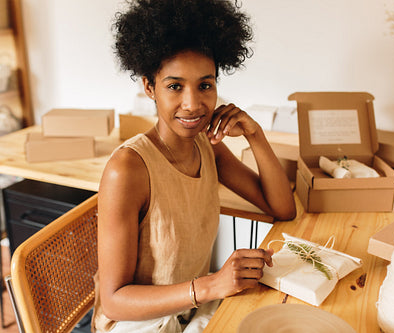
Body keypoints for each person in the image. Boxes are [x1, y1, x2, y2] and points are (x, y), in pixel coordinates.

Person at [92, 0, 296, 332]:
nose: (193, 104)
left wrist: (255, 135)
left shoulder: (206, 146)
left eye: (205, 85)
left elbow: (281, 208)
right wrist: (212, 285)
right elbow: (115, 301)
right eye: (175, 86)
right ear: (149, 87)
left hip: (192, 308)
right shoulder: (128, 169)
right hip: (140, 324)